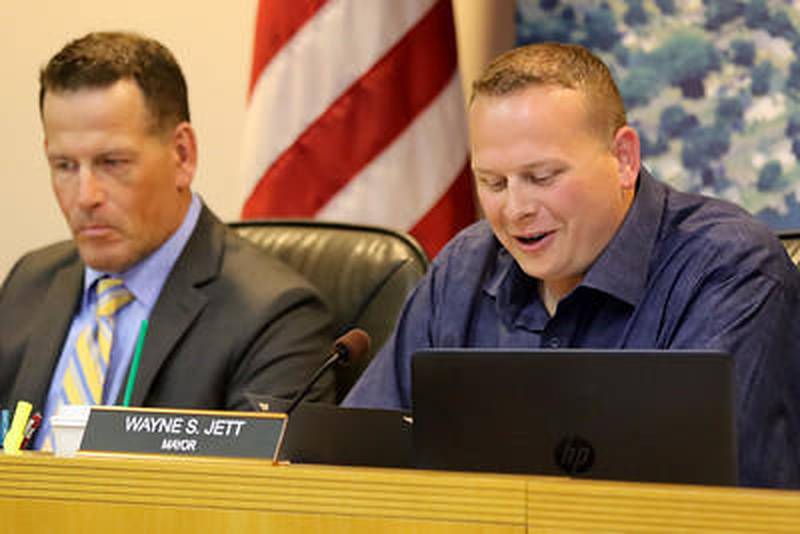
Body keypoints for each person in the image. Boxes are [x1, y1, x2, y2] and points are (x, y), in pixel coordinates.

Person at [344, 42, 800, 488]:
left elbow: (708, 496)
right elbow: (358, 462)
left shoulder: (729, 268)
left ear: (624, 159)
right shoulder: (464, 267)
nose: (515, 208)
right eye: (493, 182)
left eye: (542, 178)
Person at [0, 32, 334, 448]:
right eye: (64, 165)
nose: (85, 196)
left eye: (112, 163)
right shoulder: (28, 283)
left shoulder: (274, 317)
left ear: (182, 155)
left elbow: (255, 506)